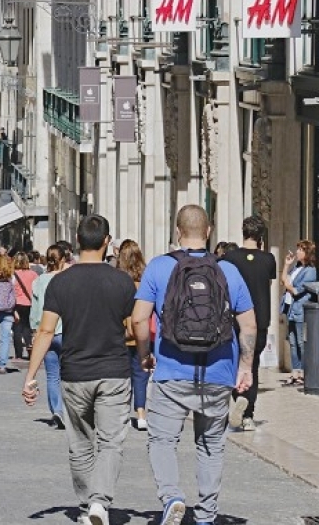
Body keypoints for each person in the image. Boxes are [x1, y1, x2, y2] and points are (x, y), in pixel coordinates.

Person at [131, 205, 256, 525]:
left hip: (171, 369)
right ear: (209, 231)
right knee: (211, 443)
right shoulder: (228, 271)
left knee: (162, 440)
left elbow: (139, 319)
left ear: (177, 231)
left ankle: (172, 496)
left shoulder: (159, 268)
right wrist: (245, 366)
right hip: (218, 371)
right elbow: (249, 325)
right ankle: (206, 515)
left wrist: (146, 354)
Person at [23, 215, 136, 525]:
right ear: (106, 242)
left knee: (80, 443)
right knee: (111, 442)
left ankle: (89, 505)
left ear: (76, 241)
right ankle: (100, 503)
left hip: (75, 373)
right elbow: (131, 327)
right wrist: (144, 350)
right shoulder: (122, 281)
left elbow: (45, 332)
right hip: (114, 369)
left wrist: (31, 375)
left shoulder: (60, 282)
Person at [224, 216, 276, 430]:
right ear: (261, 236)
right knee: (251, 366)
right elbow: (268, 282)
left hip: (235, 319)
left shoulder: (229, 258)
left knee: (233, 364)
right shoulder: (268, 259)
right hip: (260, 320)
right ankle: (248, 415)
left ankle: (237, 396)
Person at [29, 245, 66, 429]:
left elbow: (35, 311)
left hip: (46, 332)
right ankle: (68, 411)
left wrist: (35, 330)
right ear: (63, 259)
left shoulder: (39, 281)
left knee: (52, 375)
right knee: (68, 375)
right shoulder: (68, 280)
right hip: (67, 330)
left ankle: (57, 411)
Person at [116, 239, 149, 431]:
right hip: (142, 333)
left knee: (123, 376)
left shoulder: (118, 280)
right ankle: (142, 414)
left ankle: (122, 412)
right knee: (141, 374)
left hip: (121, 333)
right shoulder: (144, 280)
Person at [279, 239, 317, 387]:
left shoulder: (310, 271)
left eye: (300, 250)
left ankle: (303, 372)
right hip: (290, 309)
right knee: (293, 343)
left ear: (307, 253)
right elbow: (284, 281)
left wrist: (288, 284)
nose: (297, 252)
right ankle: (295, 372)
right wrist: (287, 265)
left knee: (301, 342)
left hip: (300, 309)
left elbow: (296, 290)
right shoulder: (296, 268)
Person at [11, 252, 38, 361]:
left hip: (17, 303)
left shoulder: (13, 274)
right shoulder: (33, 274)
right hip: (29, 303)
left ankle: (18, 354)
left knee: (17, 328)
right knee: (27, 327)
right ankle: (29, 347)